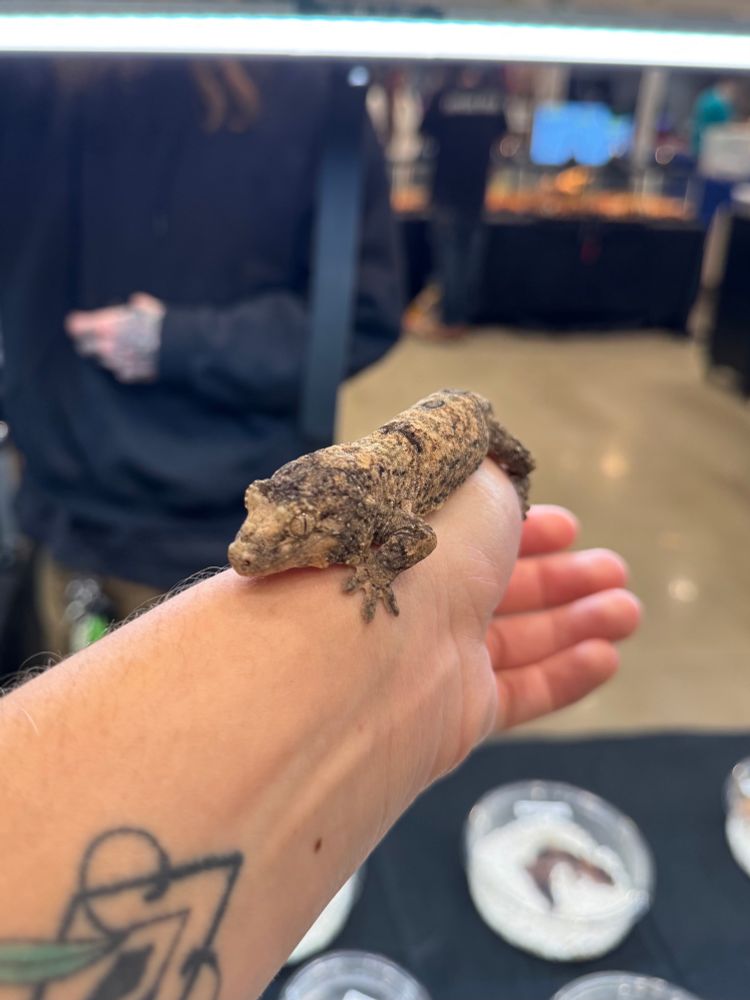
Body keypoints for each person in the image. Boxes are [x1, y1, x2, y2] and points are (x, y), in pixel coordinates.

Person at [0, 461, 641, 998]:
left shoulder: (377, 520)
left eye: (289, 536)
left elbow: (416, 541)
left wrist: (483, 500)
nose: (244, 553)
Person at [0, 58, 401, 654]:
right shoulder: (36, 64)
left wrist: (180, 342)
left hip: (226, 535)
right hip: (53, 514)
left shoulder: (305, 76)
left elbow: (360, 315)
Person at [407, 68, 507, 341]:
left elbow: (424, 132)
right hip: (477, 192)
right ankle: (462, 317)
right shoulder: (494, 97)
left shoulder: (443, 96)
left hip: (446, 190)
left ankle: (451, 319)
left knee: (450, 257)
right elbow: (503, 137)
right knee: (469, 258)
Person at [691, 77, 741, 157]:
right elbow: (724, 126)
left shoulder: (706, 96)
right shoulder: (717, 104)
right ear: (726, 86)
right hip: (708, 143)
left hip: (702, 141)